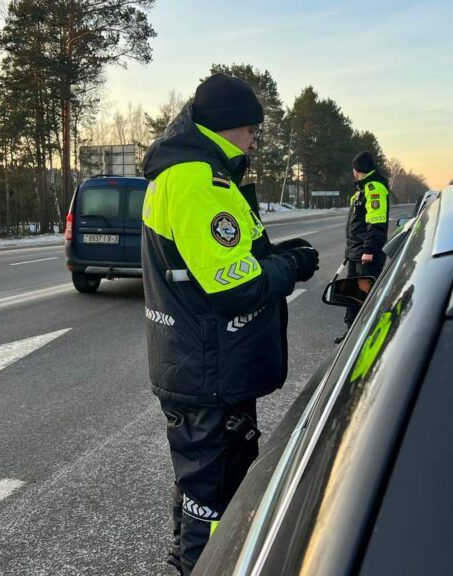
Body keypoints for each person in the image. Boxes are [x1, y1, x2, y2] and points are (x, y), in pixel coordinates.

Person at [140, 73, 320, 575]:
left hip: (190, 363)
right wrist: (295, 267)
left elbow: (222, 256)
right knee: (217, 503)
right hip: (210, 371)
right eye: (251, 130)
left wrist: (280, 253)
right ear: (228, 128)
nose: (255, 140)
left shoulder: (180, 172)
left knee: (199, 488)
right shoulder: (200, 179)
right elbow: (232, 283)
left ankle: (186, 560)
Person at [337, 151, 391, 343]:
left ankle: (368, 337)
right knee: (353, 295)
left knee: (366, 298)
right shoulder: (361, 190)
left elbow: (376, 223)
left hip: (366, 254)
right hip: (356, 253)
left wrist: (369, 250)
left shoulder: (374, 187)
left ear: (356, 170)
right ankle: (351, 335)